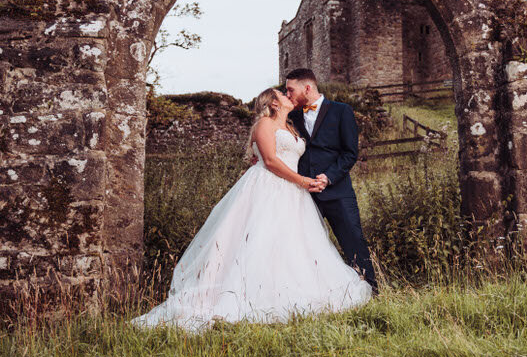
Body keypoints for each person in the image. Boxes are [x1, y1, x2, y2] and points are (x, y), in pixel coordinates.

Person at [130, 87, 372, 333]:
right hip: (270, 189)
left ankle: (286, 290)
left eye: (290, 91)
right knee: (259, 240)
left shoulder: (292, 125)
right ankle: (250, 295)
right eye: (284, 94)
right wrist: (302, 181)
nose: (289, 96)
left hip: (293, 194)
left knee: (292, 243)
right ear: (274, 103)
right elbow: (270, 161)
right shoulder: (264, 124)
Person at [284, 68, 379, 296]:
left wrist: (328, 177)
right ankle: (316, 296)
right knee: (306, 247)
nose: (287, 94)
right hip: (303, 195)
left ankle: (372, 292)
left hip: (338, 192)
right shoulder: (290, 116)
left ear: (307, 88)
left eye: (290, 89)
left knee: (354, 241)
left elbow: (350, 153)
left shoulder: (341, 111)